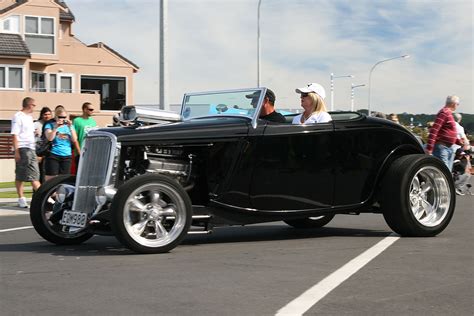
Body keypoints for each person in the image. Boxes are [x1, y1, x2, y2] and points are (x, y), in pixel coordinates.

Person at [11, 97, 41, 208]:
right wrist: (17, 151)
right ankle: (21, 198)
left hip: (31, 148)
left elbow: (28, 133)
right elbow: (14, 134)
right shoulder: (18, 116)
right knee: (21, 175)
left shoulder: (29, 118)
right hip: (23, 148)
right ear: (30, 105)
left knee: (34, 175)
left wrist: (35, 133)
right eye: (34, 105)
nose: (34, 107)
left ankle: (43, 197)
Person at [425, 95, 463, 171]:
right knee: (444, 172)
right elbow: (434, 130)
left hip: (448, 147)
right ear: (453, 104)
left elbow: (447, 131)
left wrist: (457, 141)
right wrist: (429, 147)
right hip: (442, 147)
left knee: (447, 172)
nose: (457, 106)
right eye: (457, 104)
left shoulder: (448, 114)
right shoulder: (444, 113)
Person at [43, 109, 80, 181]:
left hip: (66, 155)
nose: (62, 119)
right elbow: (50, 138)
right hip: (53, 154)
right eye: (60, 117)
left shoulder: (69, 126)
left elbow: (74, 139)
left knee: (64, 179)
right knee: (51, 179)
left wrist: (70, 127)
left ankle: (61, 192)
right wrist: (56, 127)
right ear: (56, 117)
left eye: (64, 117)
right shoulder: (50, 125)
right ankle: (51, 192)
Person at [34, 107, 53, 183]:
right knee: (39, 173)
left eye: (49, 114)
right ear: (42, 115)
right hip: (39, 151)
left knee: (47, 173)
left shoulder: (52, 124)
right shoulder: (36, 124)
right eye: (45, 114)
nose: (47, 116)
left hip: (49, 152)